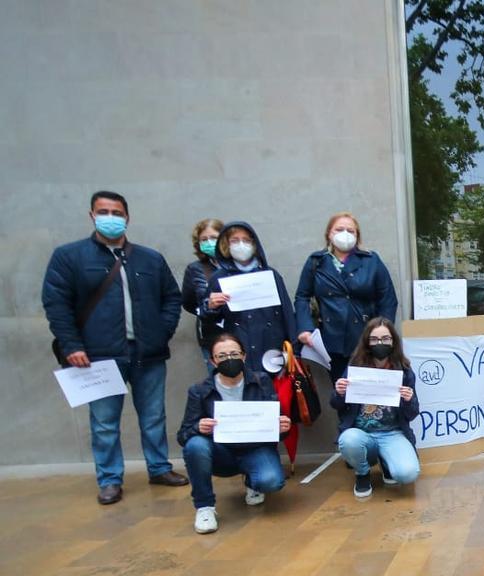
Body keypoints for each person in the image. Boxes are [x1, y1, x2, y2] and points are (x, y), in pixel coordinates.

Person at [42, 190, 188, 505]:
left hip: (148, 352)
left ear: (127, 217)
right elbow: (57, 305)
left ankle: (159, 467)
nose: (111, 217)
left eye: (117, 212)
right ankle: (109, 480)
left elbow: (171, 298)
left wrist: (162, 333)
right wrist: (71, 345)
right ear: (92, 216)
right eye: (104, 211)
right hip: (98, 356)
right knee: (105, 422)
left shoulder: (149, 258)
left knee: (153, 416)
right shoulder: (70, 256)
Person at [178, 333, 289, 534]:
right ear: (212, 361)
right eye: (222, 356)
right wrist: (198, 428)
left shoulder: (261, 380)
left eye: (234, 353)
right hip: (220, 452)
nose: (229, 359)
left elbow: (275, 426)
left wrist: (282, 427)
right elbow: (183, 435)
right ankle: (205, 507)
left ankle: (252, 481)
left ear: (244, 356)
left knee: (271, 481)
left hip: (255, 449)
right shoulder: (199, 391)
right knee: (195, 445)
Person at [295, 212, 399, 382]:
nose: (345, 234)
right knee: (341, 392)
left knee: (368, 392)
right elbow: (302, 297)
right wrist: (305, 328)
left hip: (365, 339)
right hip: (330, 341)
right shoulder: (316, 261)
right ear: (329, 233)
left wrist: (383, 333)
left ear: (357, 236)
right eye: (339, 229)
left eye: (351, 231)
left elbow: (387, 299)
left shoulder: (371, 260)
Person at [331, 318, 420, 498]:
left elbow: (412, 414)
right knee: (348, 440)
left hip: (393, 433)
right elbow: (335, 405)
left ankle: (387, 463)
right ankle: (362, 472)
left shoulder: (404, 370)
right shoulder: (355, 367)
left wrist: (409, 399)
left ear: (393, 341)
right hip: (361, 433)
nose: (380, 343)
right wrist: (339, 392)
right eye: (375, 339)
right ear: (367, 342)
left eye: (386, 338)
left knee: (408, 474)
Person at [200, 221, 297, 373]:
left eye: (246, 240)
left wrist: (293, 351)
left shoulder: (271, 275)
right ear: (226, 244)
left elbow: (287, 314)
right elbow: (208, 323)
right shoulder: (218, 279)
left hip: (271, 349)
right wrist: (210, 306)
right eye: (235, 240)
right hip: (238, 349)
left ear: (254, 244)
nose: (241, 245)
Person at [181, 218, 224, 370]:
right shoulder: (195, 269)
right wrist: (207, 308)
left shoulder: (240, 264)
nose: (209, 242)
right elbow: (188, 302)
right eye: (204, 239)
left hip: (244, 334)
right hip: (212, 336)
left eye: (213, 238)